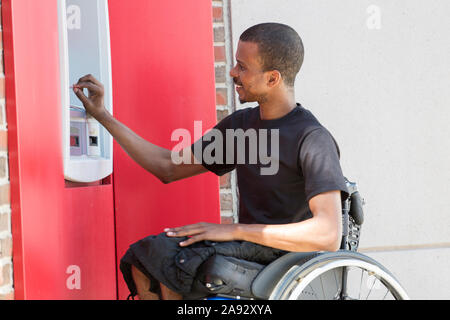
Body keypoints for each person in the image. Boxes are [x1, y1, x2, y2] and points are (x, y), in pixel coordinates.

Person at [73, 23, 348, 300]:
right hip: (248, 249)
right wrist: (102, 115)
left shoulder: (311, 138)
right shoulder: (241, 126)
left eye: (242, 67)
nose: (232, 73)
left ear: (272, 79)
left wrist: (234, 230)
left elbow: (328, 234)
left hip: (289, 260)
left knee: (173, 261)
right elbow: (167, 166)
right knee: (146, 256)